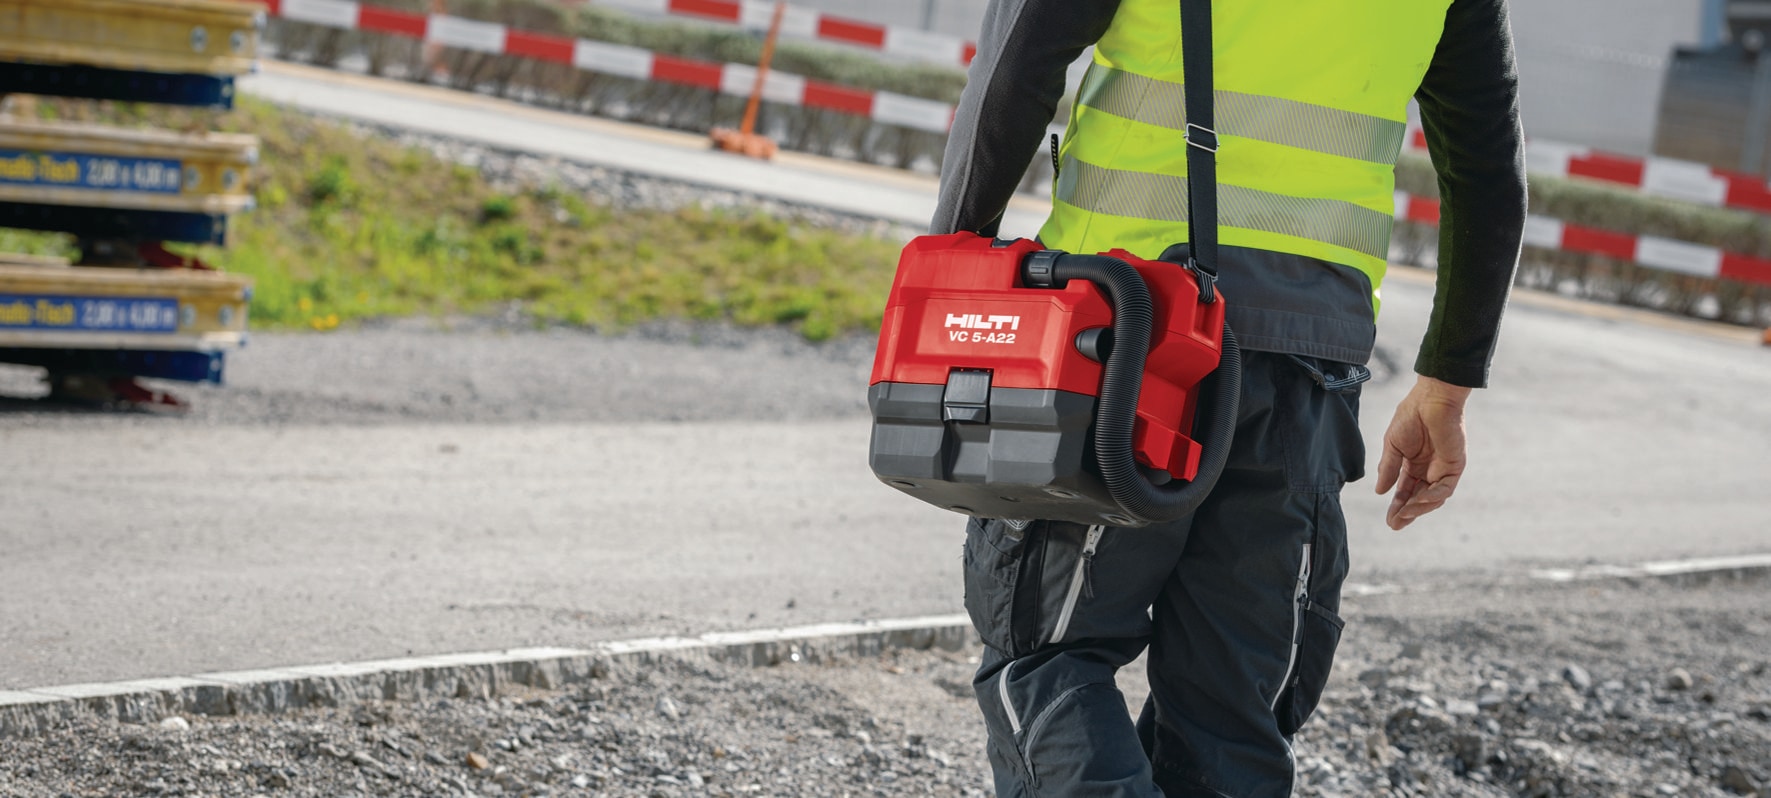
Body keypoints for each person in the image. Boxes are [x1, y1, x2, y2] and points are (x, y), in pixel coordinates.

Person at [927, 0, 1527, 795]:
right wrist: (1445, 384)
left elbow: (1015, 70)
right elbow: (1487, 168)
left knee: (1046, 653)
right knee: (1232, 712)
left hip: (1127, 341)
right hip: (1308, 370)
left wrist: (951, 259)